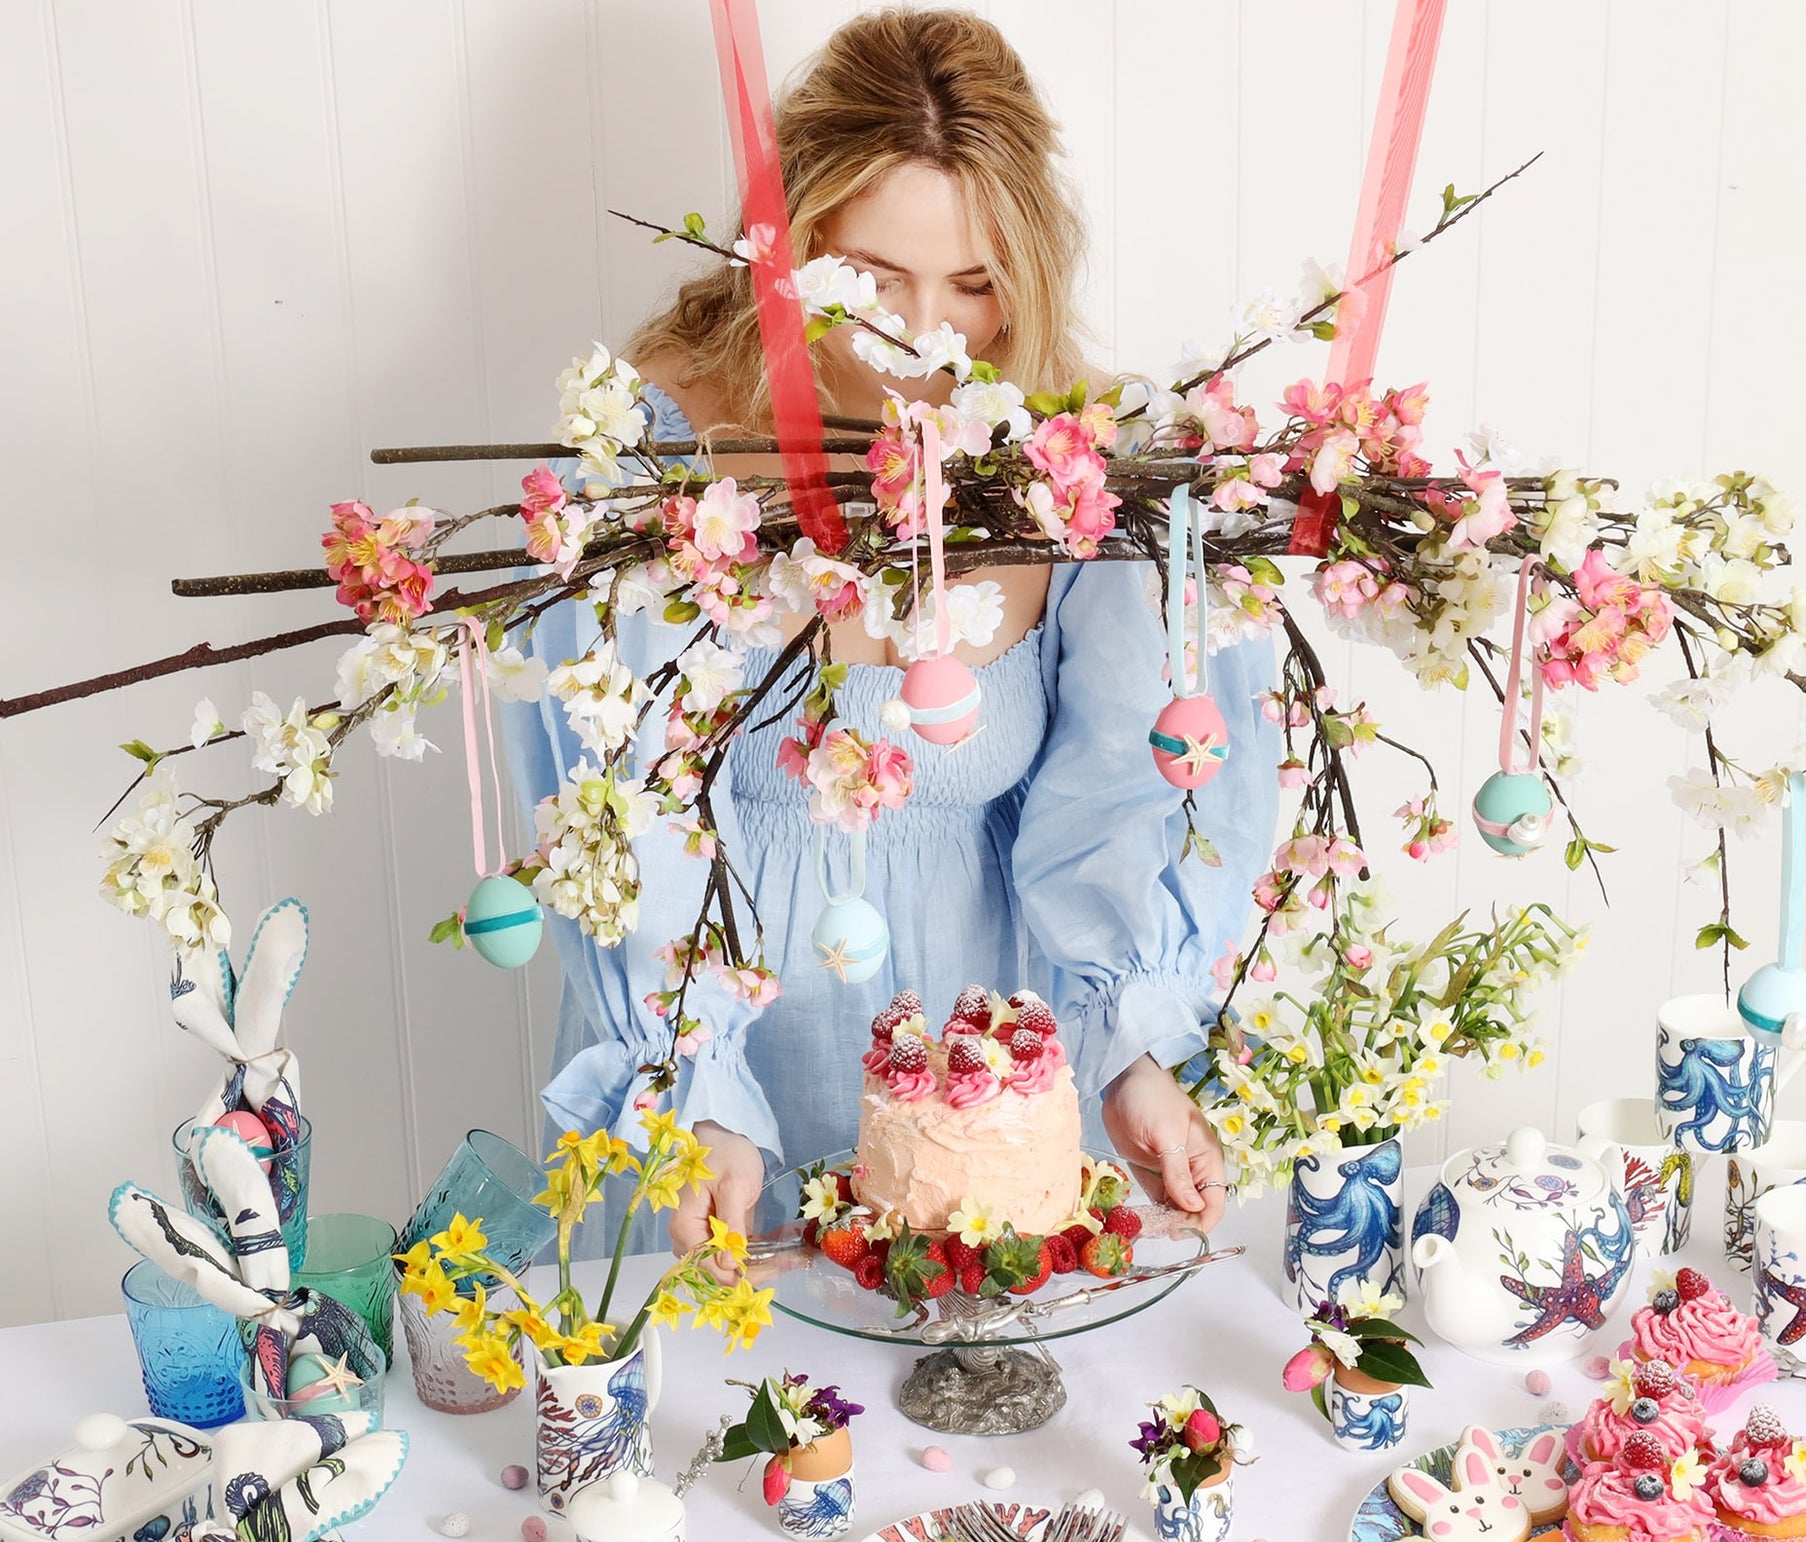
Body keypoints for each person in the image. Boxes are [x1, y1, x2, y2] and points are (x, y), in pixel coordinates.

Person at [504, 7, 1277, 1260]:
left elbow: (1115, 796)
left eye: (972, 284)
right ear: (792, 244)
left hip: (980, 1110)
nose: (927, 335)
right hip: (720, 1086)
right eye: (870, 279)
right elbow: (622, 817)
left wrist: (1127, 1052)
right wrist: (698, 1096)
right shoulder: (655, 460)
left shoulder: (1071, 466)